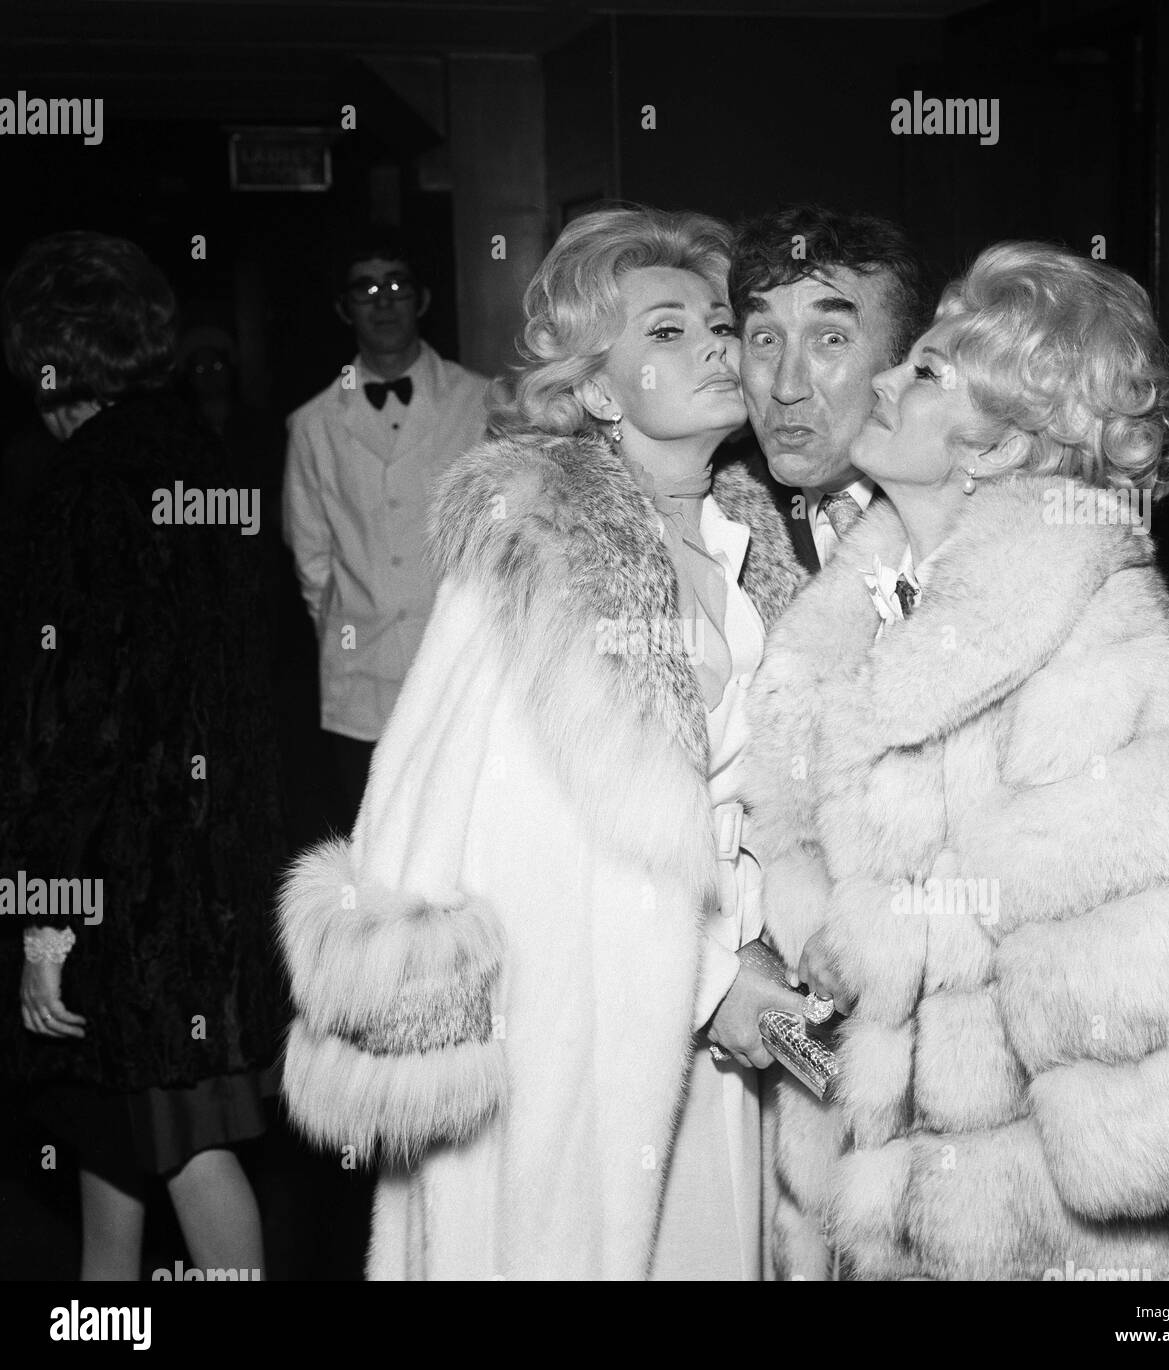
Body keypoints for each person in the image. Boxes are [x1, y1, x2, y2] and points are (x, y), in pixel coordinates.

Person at [741, 241, 1169, 1280]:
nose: (883, 380)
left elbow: (1127, 1042)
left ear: (995, 451)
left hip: (1015, 1227)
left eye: (925, 373)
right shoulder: (861, 605)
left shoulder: (1088, 627)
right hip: (859, 1194)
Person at [277, 205, 809, 1279]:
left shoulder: (755, 539)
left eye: (717, 321)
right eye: (665, 331)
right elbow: (547, 845)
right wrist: (714, 978)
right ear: (598, 390)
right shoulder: (536, 559)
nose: (715, 344)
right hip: (585, 1029)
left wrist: (765, 944)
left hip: (715, 1033)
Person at [0, 232, 285, 1279]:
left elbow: (67, 721)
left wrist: (43, 918)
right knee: (113, 1126)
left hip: (131, 887)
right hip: (213, 869)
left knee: (183, 1141)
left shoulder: (75, 487)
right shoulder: (201, 459)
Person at [281, 228, 491, 831]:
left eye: (397, 285)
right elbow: (311, 556)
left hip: (461, 663)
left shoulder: (479, 401)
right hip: (360, 679)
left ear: (421, 299)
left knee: (461, 837)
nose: (383, 301)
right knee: (375, 840)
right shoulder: (314, 423)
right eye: (365, 289)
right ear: (344, 308)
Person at [728, 205, 930, 573]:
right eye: (766, 339)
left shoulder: (965, 511)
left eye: (831, 339)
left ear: (903, 362)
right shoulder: (716, 517)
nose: (787, 388)